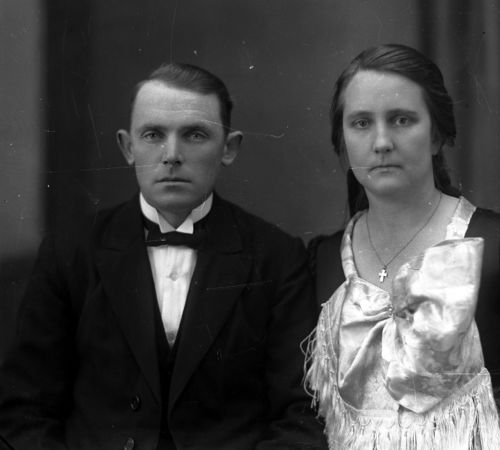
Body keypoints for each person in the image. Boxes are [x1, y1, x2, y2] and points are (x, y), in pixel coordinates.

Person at [0, 63, 327, 449]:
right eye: (153, 134)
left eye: (194, 135)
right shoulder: (71, 250)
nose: (172, 155)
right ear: (127, 147)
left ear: (229, 148)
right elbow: (23, 411)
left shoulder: (277, 257)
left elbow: (300, 414)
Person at [305, 44, 500, 449]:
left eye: (402, 120)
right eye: (361, 123)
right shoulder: (322, 260)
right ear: (342, 140)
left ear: (437, 136)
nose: (381, 141)